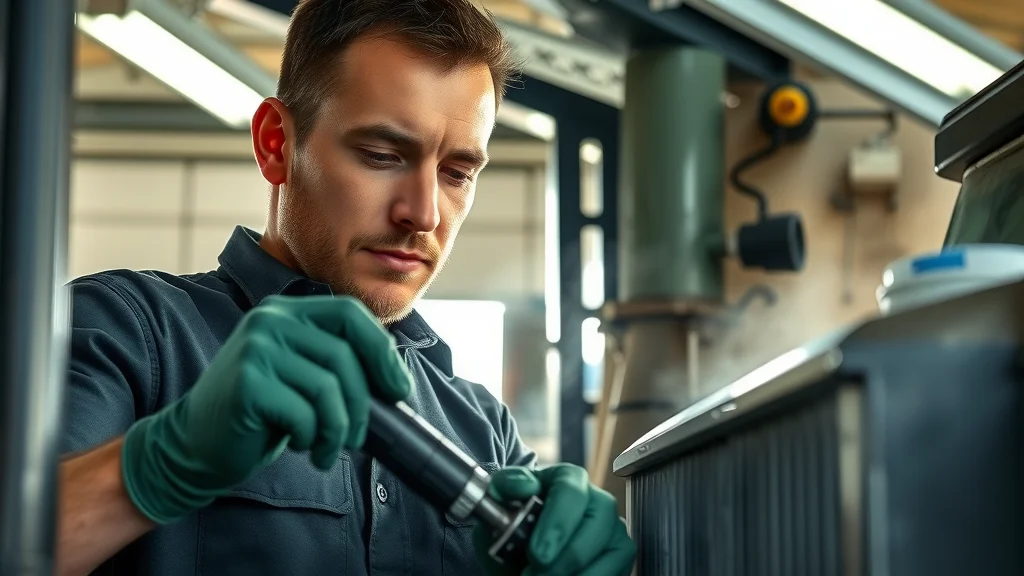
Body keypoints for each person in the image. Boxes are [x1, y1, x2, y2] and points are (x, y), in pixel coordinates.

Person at [56, 0, 636, 575]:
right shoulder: (129, 332)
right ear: (275, 145)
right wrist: (157, 468)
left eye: (457, 172)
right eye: (382, 155)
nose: (424, 213)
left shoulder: (482, 430)